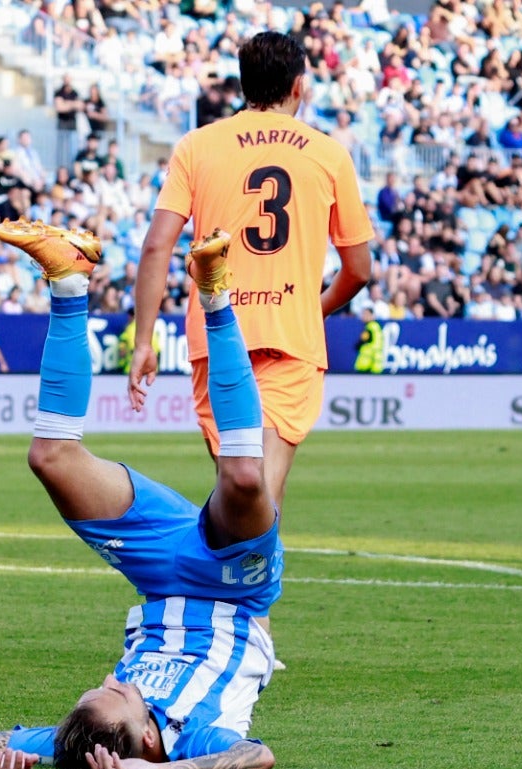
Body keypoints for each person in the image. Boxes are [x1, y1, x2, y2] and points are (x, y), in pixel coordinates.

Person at [0, 220, 279, 769]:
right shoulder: (190, 734)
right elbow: (257, 756)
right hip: (234, 589)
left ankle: (70, 280)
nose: (114, 678)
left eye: (100, 684)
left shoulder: (83, 734)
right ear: (148, 737)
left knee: (49, 459)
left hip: (157, 575)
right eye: (116, 692)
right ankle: (215, 295)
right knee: (245, 477)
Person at [128, 32, 373, 664]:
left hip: (217, 337)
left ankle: (234, 618)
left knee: (239, 480)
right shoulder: (327, 152)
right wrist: (311, 308)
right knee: (263, 484)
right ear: (300, 87)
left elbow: (157, 246)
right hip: (292, 343)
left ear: (242, 84)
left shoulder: (199, 145)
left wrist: (143, 341)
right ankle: (248, 621)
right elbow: (359, 269)